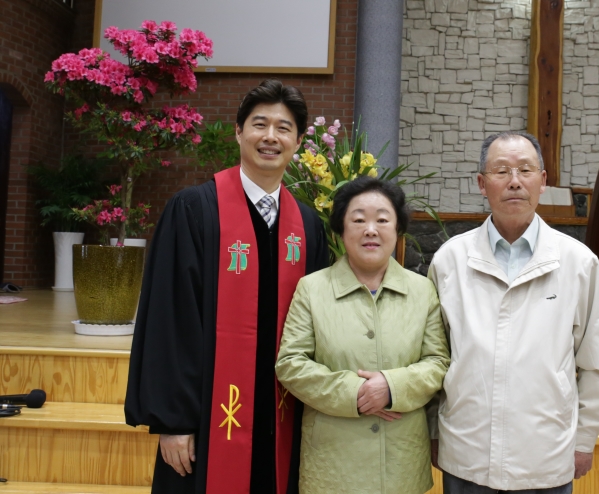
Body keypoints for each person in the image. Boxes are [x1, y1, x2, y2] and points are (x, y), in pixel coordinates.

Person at [124, 79, 329, 494]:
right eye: (259, 124)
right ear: (238, 131)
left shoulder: (308, 226)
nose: (270, 137)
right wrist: (174, 422)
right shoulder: (194, 210)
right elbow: (170, 320)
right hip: (204, 421)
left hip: (282, 420)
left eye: (284, 128)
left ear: (298, 142)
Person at [427, 131, 599, 493]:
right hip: (467, 450)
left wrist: (584, 438)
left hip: (545, 453)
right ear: (482, 184)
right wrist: (435, 431)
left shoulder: (578, 262)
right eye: (501, 171)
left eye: (525, 170)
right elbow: (433, 357)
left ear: (542, 181)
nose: (514, 181)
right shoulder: (450, 260)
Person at [275, 177, 450, 494]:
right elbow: (291, 363)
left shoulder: (422, 290)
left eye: (382, 220)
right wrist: (354, 392)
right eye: (358, 220)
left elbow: (438, 362)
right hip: (332, 466)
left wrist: (392, 386)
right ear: (340, 230)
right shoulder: (312, 289)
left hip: (401, 465)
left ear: (398, 229)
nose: (371, 230)